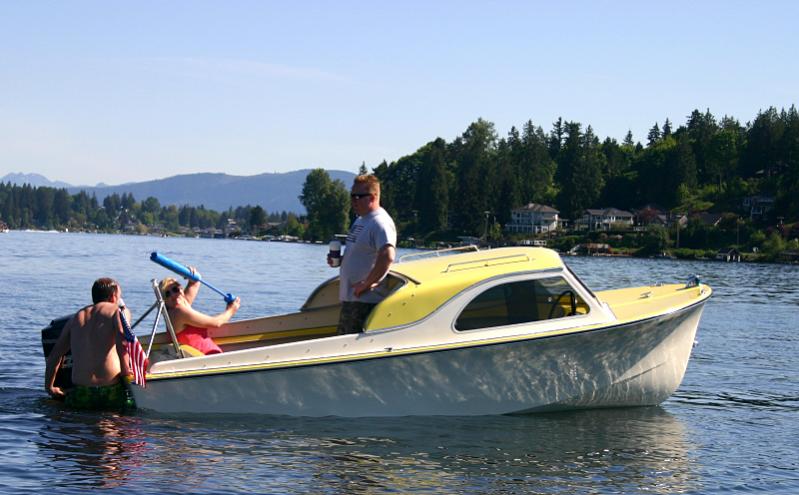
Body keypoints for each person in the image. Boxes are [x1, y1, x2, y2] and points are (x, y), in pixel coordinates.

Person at [45, 277, 135, 410]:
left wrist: (49, 387)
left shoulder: (76, 317)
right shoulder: (117, 312)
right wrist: (126, 371)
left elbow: (55, 355)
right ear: (113, 296)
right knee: (115, 421)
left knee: (83, 421)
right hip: (109, 390)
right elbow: (123, 341)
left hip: (81, 392)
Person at [329, 174, 397, 334]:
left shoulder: (380, 223)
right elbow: (361, 253)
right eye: (352, 196)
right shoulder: (361, 220)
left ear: (372, 197)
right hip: (352, 299)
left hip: (365, 301)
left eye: (358, 196)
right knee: (341, 342)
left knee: (348, 345)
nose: (353, 201)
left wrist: (366, 284)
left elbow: (387, 255)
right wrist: (341, 260)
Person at [159, 268, 240, 355]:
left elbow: (196, 282)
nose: (173, 295)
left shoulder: (182, 304)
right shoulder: (179, 312)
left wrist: (189, 273)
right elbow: (216, 323)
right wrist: (231, 310)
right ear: (165, 301)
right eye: (167, 294)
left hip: (208, 356)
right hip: (204, 358)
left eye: (175, 289)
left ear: (181, 289)